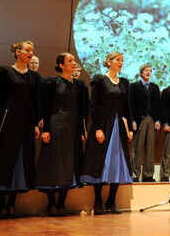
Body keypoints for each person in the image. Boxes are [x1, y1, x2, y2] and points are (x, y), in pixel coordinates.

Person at [0, 41, 42, 218]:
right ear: (17, 52)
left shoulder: (34, 77)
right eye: (27, 50)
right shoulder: (4, 71)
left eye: (32, 51)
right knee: (4, 159)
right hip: (7, 121)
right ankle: (1, 203)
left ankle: (11, 203)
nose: (31, 53)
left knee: (20, 160)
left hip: (25, 123)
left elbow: (34, 102)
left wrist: (35, 123)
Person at [35, 53, 89, 216]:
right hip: (56, 124)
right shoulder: (51, 82)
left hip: (73, 127)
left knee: (69, 164)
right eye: (70, 61)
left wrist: (82, 130)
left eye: (74, 61)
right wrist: (46, 130)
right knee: (53, 162)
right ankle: (51, 203)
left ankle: (61, 203)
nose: (74, 63)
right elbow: (46, 106)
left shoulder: (80, 85)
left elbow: (82, 110)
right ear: (61, 65)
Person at [81, 52, 133, 214]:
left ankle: (111, 201)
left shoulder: (124, 82)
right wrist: (97, 128)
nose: (121, 63)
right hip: (103, 125)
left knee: (117, 163)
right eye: (117, 60)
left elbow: (127, 107)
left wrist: (130, 128)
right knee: (100, 161)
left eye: (122, 60)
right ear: (109, 62)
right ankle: (98, 200)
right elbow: (94, 106)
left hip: (118, 126)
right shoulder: (99, 79)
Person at [129, 63, 161, 182]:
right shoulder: (134, 86)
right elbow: (131, 104)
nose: (148, 72)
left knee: (150, 148)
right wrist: (132, 120)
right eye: (146, 70)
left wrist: (158, 120)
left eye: (150, 70)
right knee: (137, 147)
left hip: (151, 119)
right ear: (141, 73)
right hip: (139, 119)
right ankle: (135, 174)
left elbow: (157, 105)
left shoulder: (155, 87)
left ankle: (148, 174)